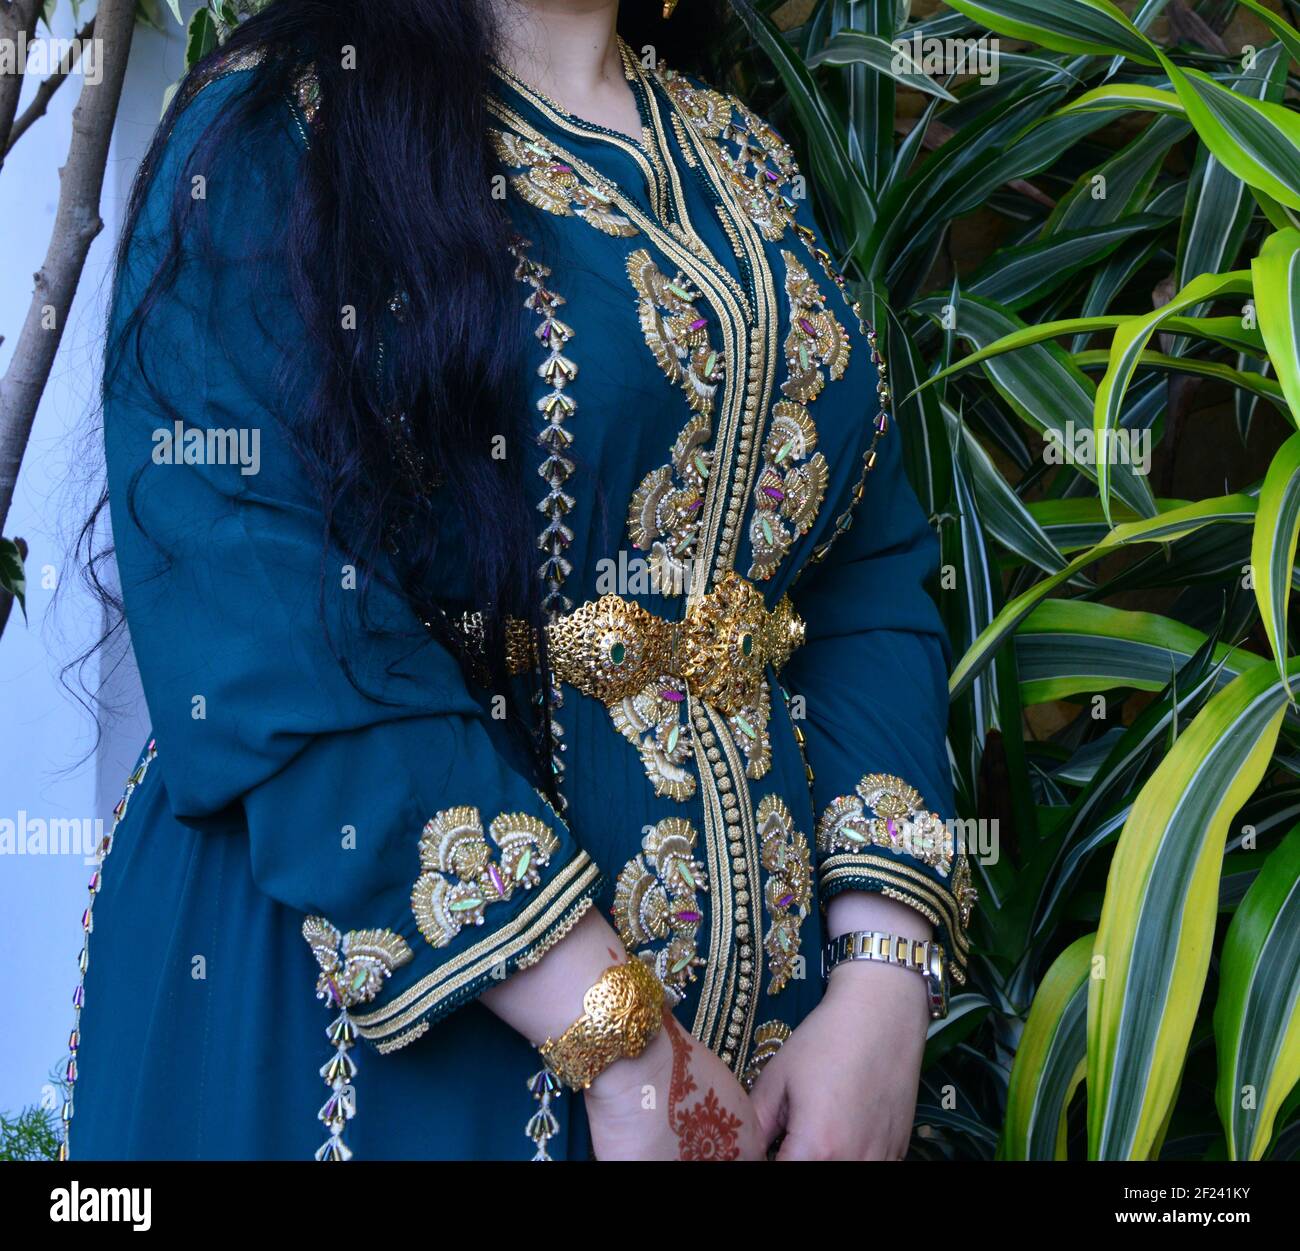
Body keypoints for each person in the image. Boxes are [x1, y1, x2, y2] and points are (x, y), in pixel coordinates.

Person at [69, 0, 974, 1161]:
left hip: (779, 1064)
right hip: (374, 1030)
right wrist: (618, 1039)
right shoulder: (275, 131)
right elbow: (266, 622)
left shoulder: (740, 156)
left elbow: (861, 568)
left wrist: (884, 974)